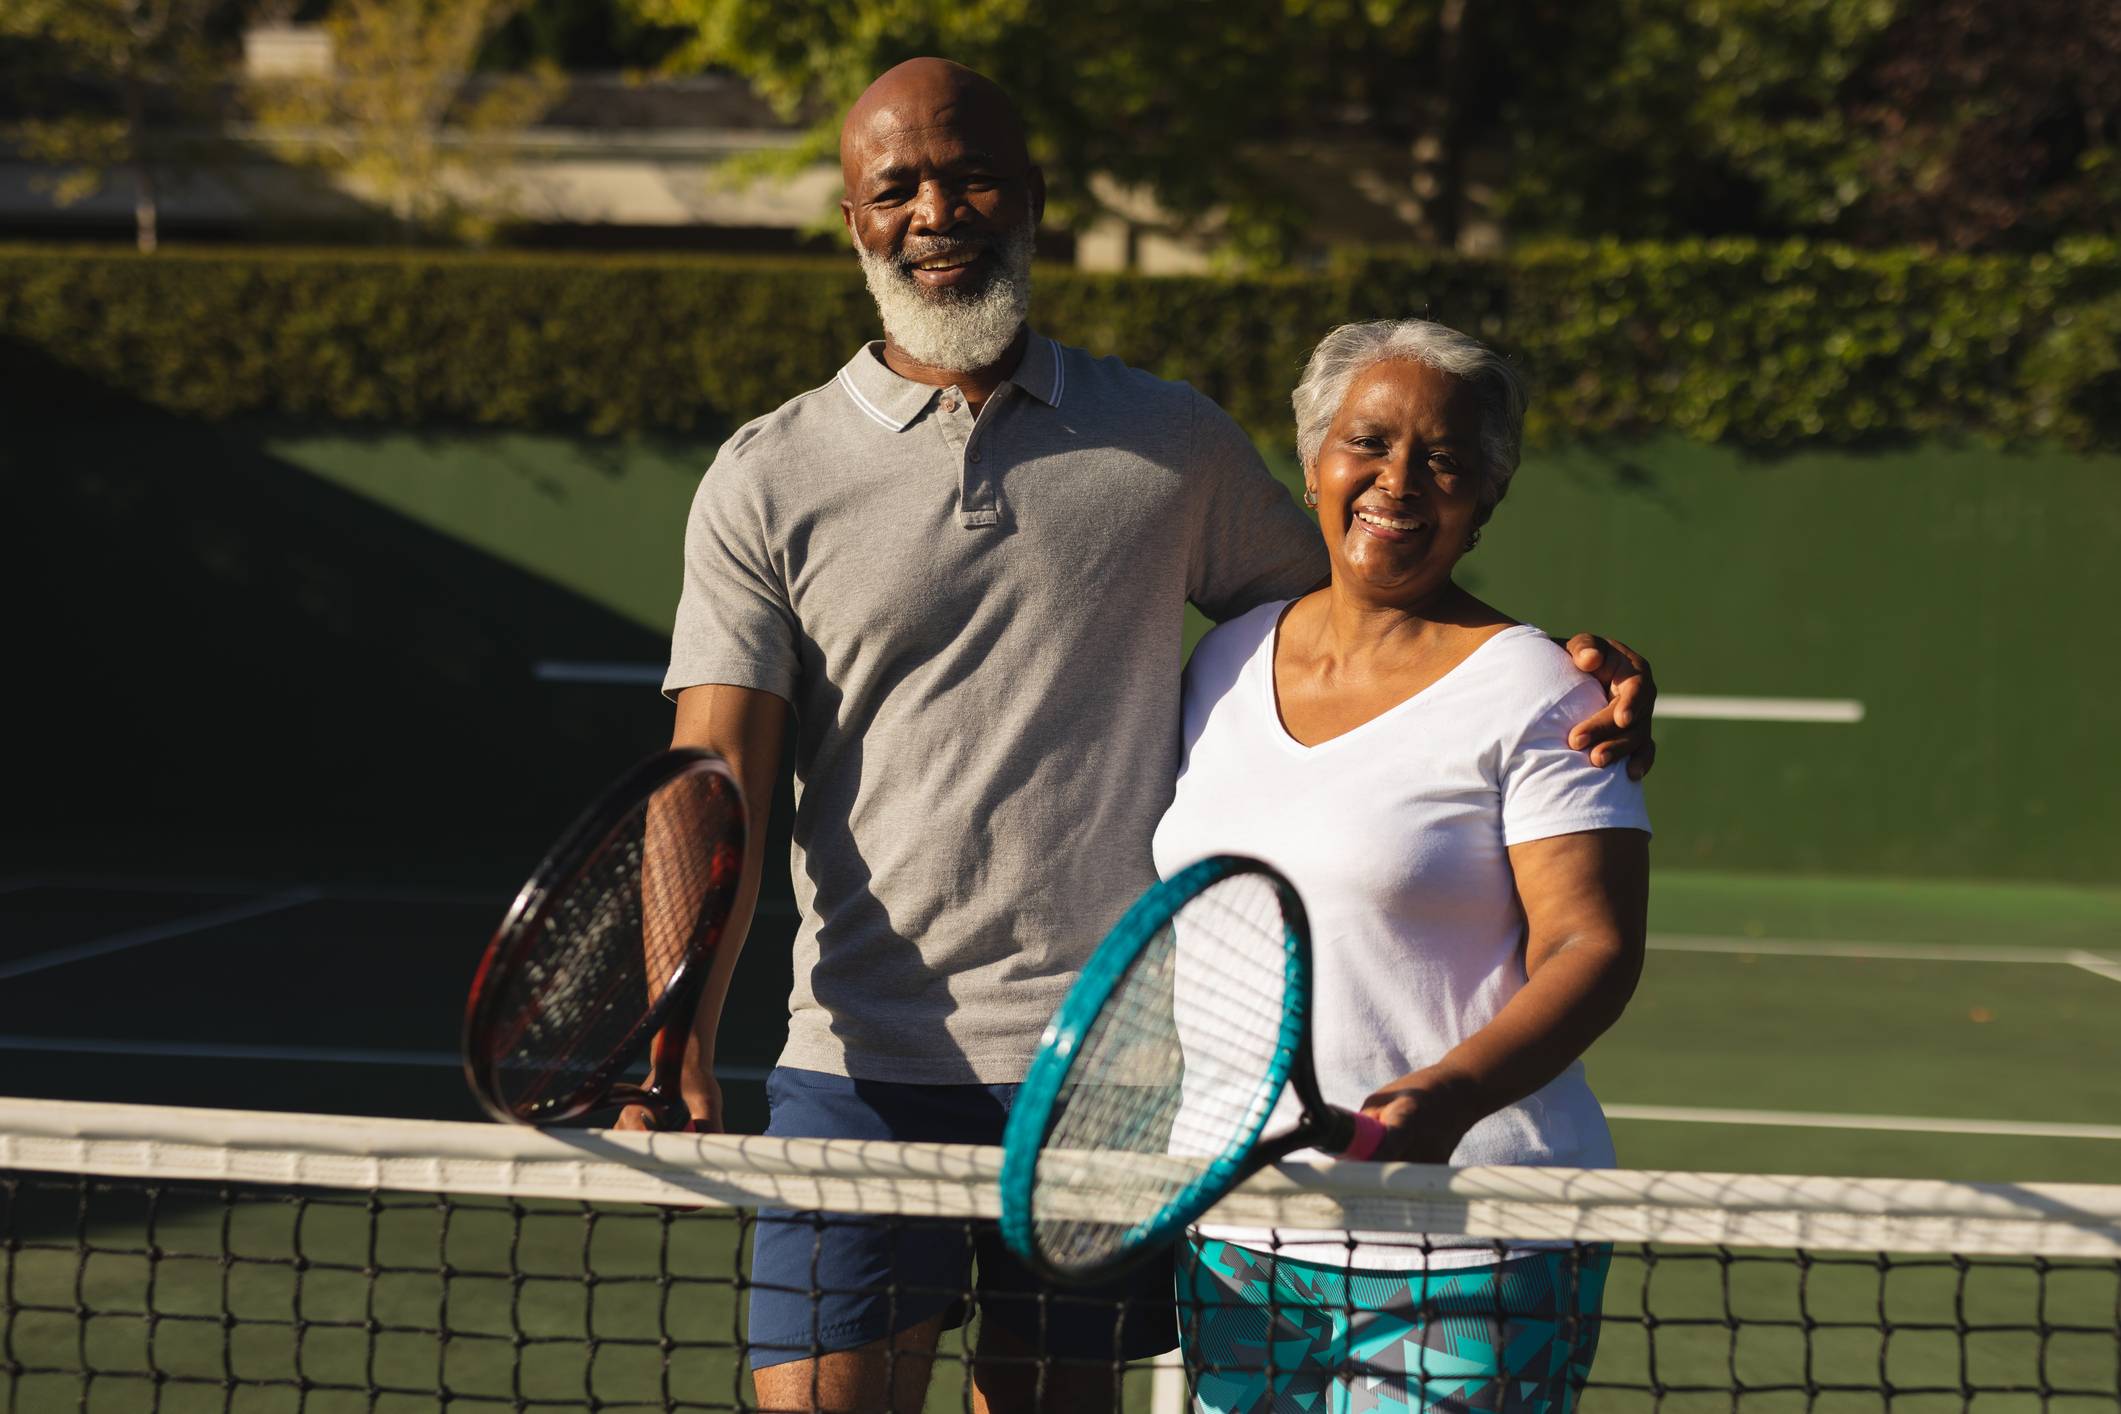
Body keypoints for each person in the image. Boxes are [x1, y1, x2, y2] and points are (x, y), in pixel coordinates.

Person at [620, 58, 1657, 1414]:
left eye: (973, 175)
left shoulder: (1172, 442)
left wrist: (1558, 668)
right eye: (898, 187)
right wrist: (668, 1021)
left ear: (1036, 198)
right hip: (855, 1070)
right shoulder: (769, 472)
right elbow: (714, 779)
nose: (939, 210)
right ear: (856, 219)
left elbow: (1375, 595)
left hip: (1116, 1084)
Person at [1151, 319, 1652, 1413]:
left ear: (1487, 498)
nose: (1399, 482)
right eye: (1368, 443)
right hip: (1240, 1234)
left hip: (1469, 1233)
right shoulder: (1223, 659)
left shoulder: (1544, 692)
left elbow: (1593, 944)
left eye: (1445, 460)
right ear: (1315, 459)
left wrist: (1446, 1095)